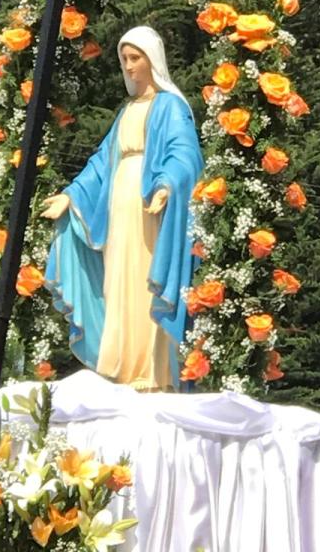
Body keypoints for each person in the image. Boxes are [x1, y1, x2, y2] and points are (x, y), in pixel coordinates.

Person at [43, 26, 203, 390]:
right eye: (124, 59)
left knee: (146, 278)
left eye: (135, 58)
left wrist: (167, 185)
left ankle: (153, 370)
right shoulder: (127, 111)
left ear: (152, 60)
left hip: (150, 205)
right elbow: (102, 162)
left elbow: (185, 153)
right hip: (119, 202)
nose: (129, 66)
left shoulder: (170, 105)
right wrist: (71, 195)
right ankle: (122, 366)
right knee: (119, 281)